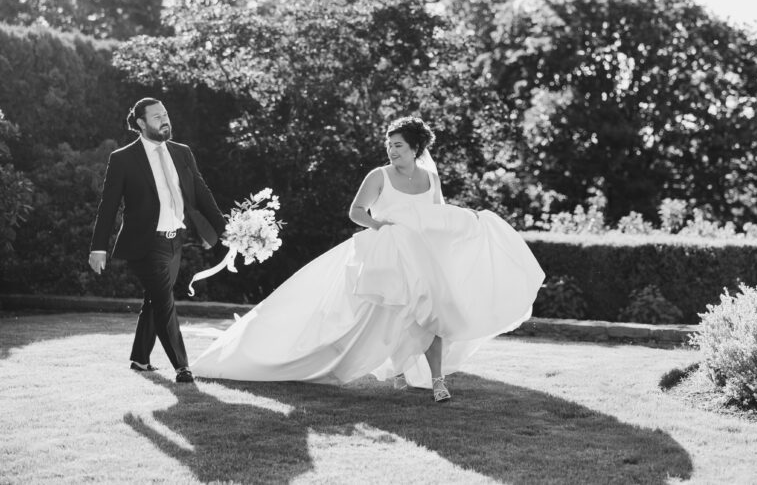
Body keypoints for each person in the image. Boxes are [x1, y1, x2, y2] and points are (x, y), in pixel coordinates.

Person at [192, 116, 545, 402]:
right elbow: (356, 212)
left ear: (416, 148)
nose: (392, 151)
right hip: (383, 255)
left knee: (431, 314)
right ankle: (384, 367)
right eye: (389, 145)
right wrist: (380, 224)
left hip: (422, 259)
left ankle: (437, 381)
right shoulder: (378, 176)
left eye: (399, 145)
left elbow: (436, 218)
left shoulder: (430, 178)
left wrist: (467, 224)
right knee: (369, 318)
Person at [89, 98, 226, 383]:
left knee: (155, 299)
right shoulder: (123, 158)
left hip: (175, 242)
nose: (165, 120)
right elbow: (108, 206)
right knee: (164, 301)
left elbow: (202, 192)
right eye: (157, 116)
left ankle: (140, 359)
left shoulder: (183, 152)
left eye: (165, 114)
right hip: (144, 244)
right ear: (141, 123)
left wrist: (224, 228)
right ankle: (182, 366)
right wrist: (98, 247)